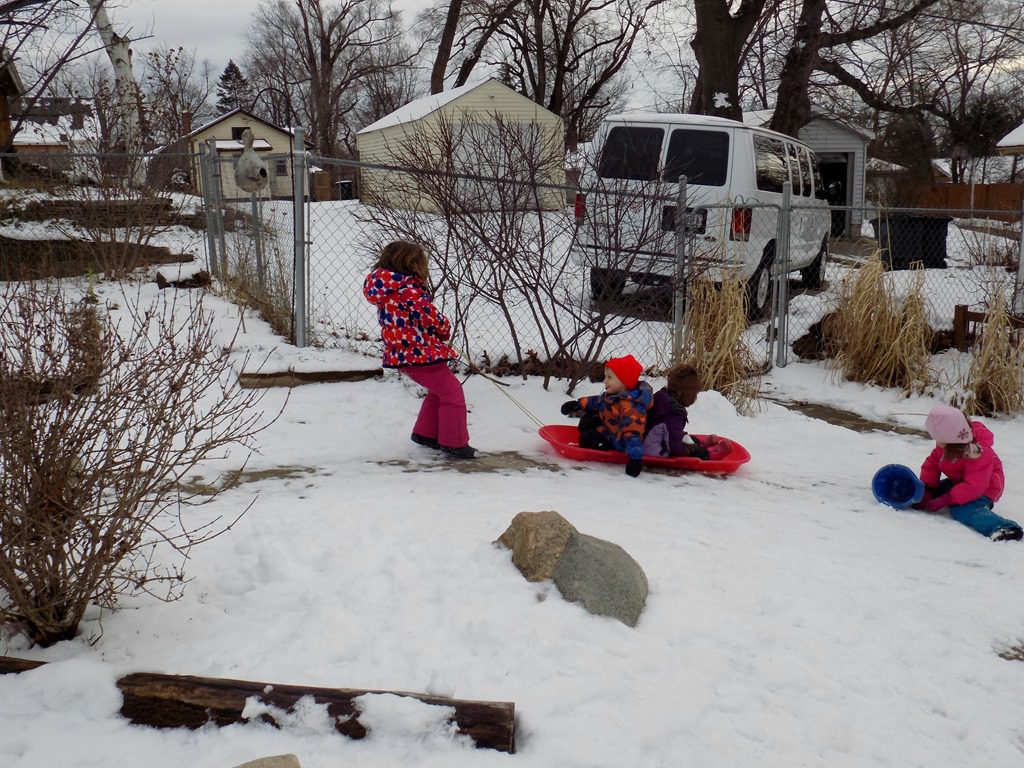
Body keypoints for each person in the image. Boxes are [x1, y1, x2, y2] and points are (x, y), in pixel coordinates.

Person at [363, 240, 476, 459]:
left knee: (439, 391)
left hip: (404, 352)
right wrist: (444, 328)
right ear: (411, 263)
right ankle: (455, 443)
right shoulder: (407, 289)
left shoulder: (387, 288)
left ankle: (425, 434)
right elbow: (428, 315)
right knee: (452, 393)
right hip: (419, 352)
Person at [914, 405, 1021, 541]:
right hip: (960, 482)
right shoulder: (947, 444)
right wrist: (928, 488)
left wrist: (947, 499)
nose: (937, 442)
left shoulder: (977, 453)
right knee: (931, 493)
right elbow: (932, 465)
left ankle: (1005, 528)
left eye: (939, 439)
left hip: (985, 489)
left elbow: (974, 486)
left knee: (961, 510)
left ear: (951, 438)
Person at [560, 355, 653, 477]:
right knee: (588, 419)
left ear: (624, 381)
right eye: (605, 377)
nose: (605, 381)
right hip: (610, 430)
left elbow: (633, 433)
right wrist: (577, 404)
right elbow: (596, 401)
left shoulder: (631, 407)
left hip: (620, 442)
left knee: (587, 439)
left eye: (609, 377)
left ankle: (596, 443)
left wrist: (635, 459)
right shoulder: (614, 396)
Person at [642, 363, 730, 460]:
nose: (695, 398)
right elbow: (674, 446)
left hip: (649, 441)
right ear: (681, 394)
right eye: (693, 394)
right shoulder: (673, 413)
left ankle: (700, 443)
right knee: (693, 451)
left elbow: (671, 432)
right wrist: (689, 451)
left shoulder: (662, 398)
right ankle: (709, 455)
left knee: (685, 438)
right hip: (654, 451)